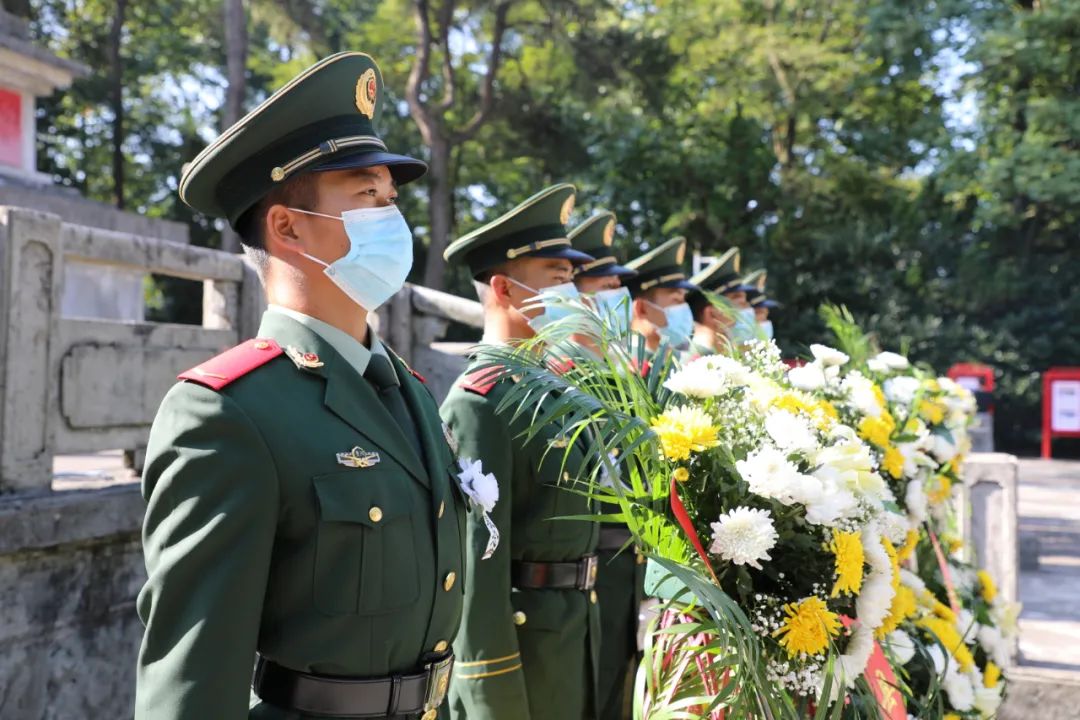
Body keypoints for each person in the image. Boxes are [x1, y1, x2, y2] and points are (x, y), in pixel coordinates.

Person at [135, 52, 464, 720]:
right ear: (286, 227)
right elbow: (194, 675)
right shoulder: (228, 412)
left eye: (391, 200)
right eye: (366, 196)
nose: (390, 219)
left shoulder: (411, 393)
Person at [441, 184, 603, 720]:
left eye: (571, 280)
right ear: (504, 289)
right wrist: (491, 698)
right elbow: (477, 569)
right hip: (522, 656)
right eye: (556, 278)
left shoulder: (554, 391)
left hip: (572, 640)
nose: (572, 295)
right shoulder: (481, 403)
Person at [569, 211, 643, 720]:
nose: (618, 295)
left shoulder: (617, 375)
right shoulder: (555, 381)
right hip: (578, 583)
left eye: (621, 285)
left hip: (625, 573)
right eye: (605, 284)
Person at [624, 237, 698, 362]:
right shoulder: (624, 374)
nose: (685, 308)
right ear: (641, 308)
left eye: (683, 300)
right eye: (676, 300)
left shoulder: (678, 366)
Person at [685, 247, 757, 355]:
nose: (745, 311)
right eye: (736, 300)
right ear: (711, 313)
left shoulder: (718, 356)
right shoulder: (698, 361)